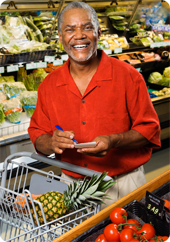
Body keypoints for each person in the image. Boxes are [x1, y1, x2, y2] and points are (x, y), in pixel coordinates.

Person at [28, 1, 161, 208]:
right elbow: (38, 135)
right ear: (61, 37)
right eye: (70, 29)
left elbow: (149, 129)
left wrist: (113, 141)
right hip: (72, 188)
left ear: (98, 33)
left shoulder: (128, 76)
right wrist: (52, 142)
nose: (79, 35)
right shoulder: (49, 85)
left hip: (122, 184)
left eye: (87, 27)